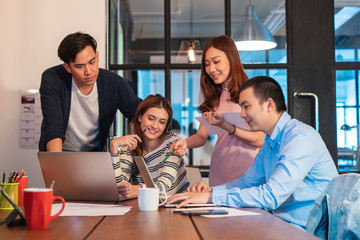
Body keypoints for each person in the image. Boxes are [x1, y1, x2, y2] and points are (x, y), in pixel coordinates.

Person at [167, 76, 338, 229]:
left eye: (246, 106)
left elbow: (271, 195)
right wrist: (210, 191)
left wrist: (211, 197)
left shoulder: (299, 138)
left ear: (269, 104)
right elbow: (247, 182)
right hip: (284, 224)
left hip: (310, 230)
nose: (242, 114)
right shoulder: (270, 141)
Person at [170, 35, 264, 186]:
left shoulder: (251, 92)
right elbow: (201, 136)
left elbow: (260, 139)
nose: (211, 69)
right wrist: (185, 142)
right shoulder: (214, 96)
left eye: (216, 61)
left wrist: (229, 128)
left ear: (232, 59)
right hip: (219, 173)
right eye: (207, 64)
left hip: (248, 175)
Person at [39, 32, 140, 152]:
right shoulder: (53, 79)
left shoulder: (114, 83)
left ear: (97, 56)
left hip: (95, 154)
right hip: (61, 152)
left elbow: (140, 114)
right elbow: (53, 128)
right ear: (67, 67)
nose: (88, 71)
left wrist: (167, 134)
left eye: (92, 62)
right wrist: (56, 167)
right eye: (80, 66)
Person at [110, 94, 189, 197]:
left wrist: (137, 189)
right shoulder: (131, 145)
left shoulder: (174, 144)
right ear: (140, 117)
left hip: (176, 205)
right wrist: (114, 146)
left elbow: (163, 186)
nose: (155, 126)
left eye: (162, 122)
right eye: (151, 118)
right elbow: (119, 186)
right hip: (146, 204)